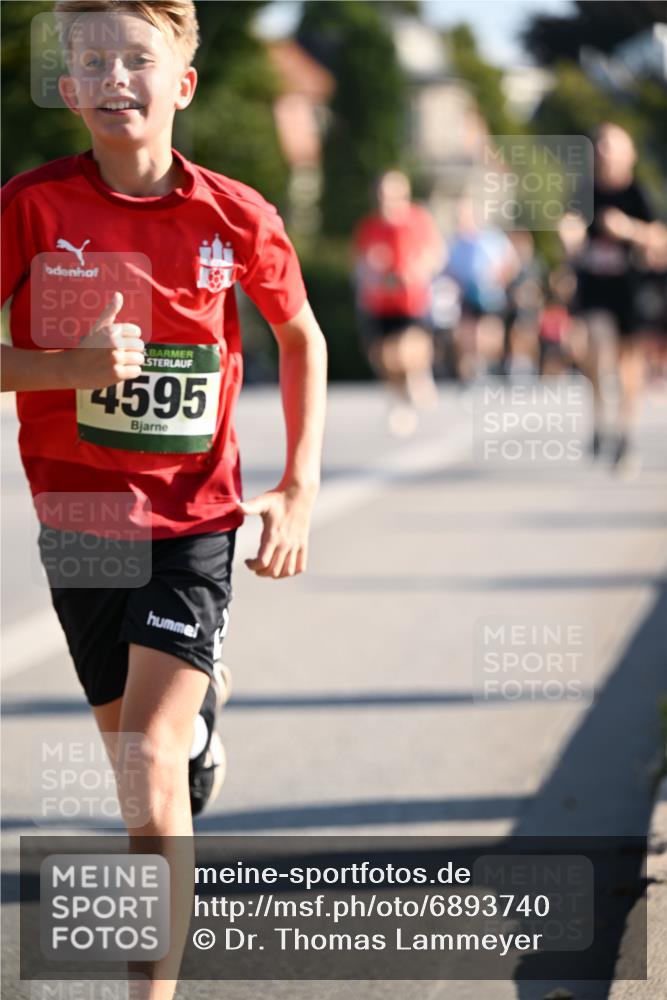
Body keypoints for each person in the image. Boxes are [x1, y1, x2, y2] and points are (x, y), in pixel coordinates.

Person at [1, 1, 327, 996]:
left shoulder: (234, 214)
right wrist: (68, 368)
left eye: (136, 58)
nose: (114, 78)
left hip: (194, 517)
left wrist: (298, 485)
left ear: (181, 83)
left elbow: (301, 335)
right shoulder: (31, 207)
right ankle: (198, 731)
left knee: (146, 764)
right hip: (80, 523)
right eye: (92, 62)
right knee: (143, 773)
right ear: (68, 90)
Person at [559, 122, 660, 470]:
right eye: (600, 146)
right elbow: (569, 223)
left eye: (612, 147)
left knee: (629, 366)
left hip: (631, 290)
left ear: (628, 155)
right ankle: (600, 422)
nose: (604, 153)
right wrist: (569, 235)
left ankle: (624, 434)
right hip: (595, 289)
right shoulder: (585, 191)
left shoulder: (638, 193)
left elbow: (659, 237)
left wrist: (628, 230)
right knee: (598, 349)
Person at [353, 170, 443, 436]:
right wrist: (371, 272)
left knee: (404, 351)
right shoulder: (369, 226)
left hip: (411, 301)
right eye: (382, 195)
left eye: (392, 194)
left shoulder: (418, 220)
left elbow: (436, 254)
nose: (387, 200)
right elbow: (360, 263)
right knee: (383, 357)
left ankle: (418, 374)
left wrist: (417, 271)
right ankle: (399, 400)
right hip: (380, 302)